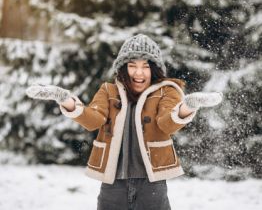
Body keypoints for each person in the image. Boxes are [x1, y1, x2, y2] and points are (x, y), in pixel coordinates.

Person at [26, 34, 223, 210]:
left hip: (151, 183)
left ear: (154, 69)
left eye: (145, 66)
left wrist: (188, 105)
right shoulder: (108, 91)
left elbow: (167, 124)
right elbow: (92, 120)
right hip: (113, 183)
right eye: (132, 65)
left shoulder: (167, 91)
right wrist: (64, 98)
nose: (139, 73)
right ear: (122, 68)